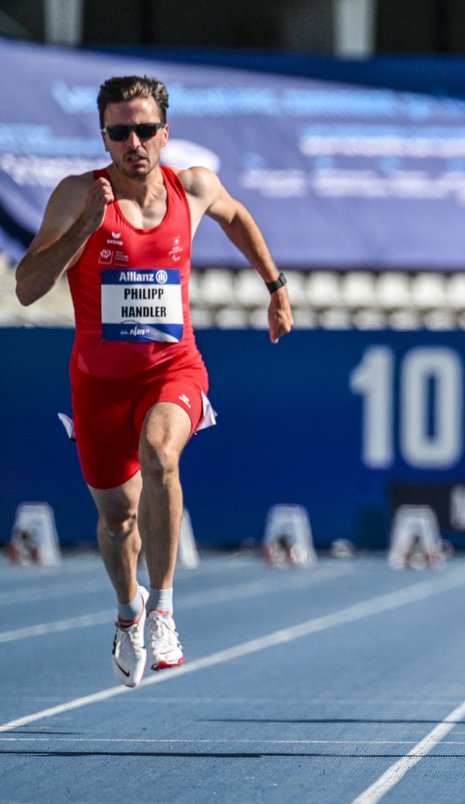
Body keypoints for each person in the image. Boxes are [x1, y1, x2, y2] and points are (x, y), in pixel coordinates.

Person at [14, 75, 293, 688]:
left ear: (164, 134)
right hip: (99, 386)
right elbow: (27, 289)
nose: (133, 142)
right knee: (117, 523)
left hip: (174, 368)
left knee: (162, 454)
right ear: (105, 137)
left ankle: (164, 607)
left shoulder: (191, 187)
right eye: (119, 132)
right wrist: (84, 228)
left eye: (144, 130)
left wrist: (274, 287)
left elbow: (238, 216)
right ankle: (128, 610)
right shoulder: (77, 195)